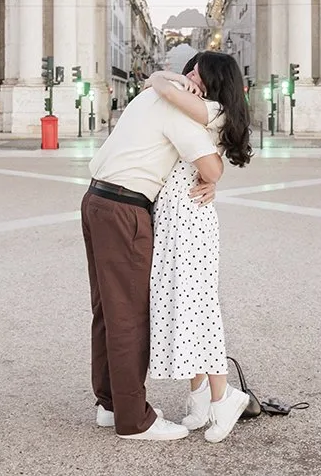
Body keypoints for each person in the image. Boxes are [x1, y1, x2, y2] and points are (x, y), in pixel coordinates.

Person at [81, 66, 225, 441]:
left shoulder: (151, 95)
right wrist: (210, 180)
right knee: (128, 315)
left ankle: (111, 405)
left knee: (107, 311)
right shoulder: (179, 108)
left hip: (96, 199)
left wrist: (161, 77)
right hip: (125, 208)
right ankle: (134, 420)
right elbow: (211, 166)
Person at [142, 51, 254, 443]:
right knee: (179, 305)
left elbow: (163, 91)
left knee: (198, 307)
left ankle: (224, 398)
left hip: (190, 220)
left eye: (195, 70)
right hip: (175, 217)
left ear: (213, 79)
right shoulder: (206, 107)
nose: (188, 74)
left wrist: (161, 73)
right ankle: (199, 397)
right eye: (187, 68)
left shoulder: (212, 108)